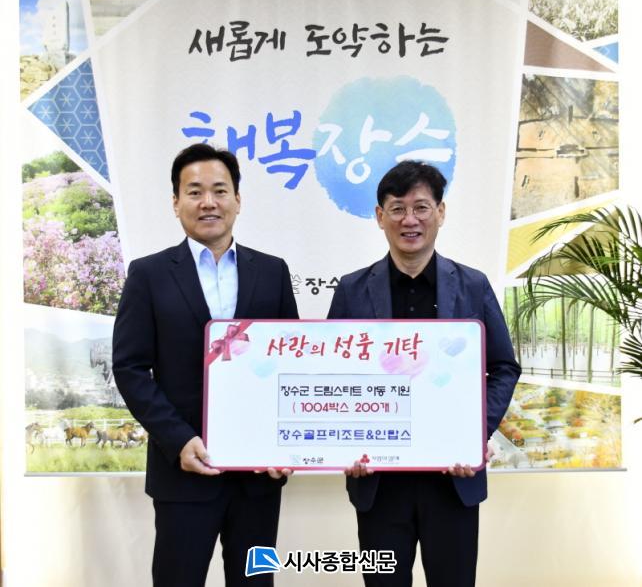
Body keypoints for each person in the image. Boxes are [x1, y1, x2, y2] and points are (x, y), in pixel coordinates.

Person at [112, 144, 298, 587]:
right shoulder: (149, 274)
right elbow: (130, 367)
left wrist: (285, 443)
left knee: (256, 581)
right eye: (194, 192)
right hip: (183, 470)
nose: (208, 202)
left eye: (220, 190)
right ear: (175, 202)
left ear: (238, 199)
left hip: (257, 476)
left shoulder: (272, 272)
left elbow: (291, 363)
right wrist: (179, 440)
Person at [327, 160, 521, 587]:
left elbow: (503, 366)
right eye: (397, 209)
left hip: (452, 479)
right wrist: (344, 442)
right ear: (380, 216)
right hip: (379, 483)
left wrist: (475, 432)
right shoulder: (352, 290)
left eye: (421, 207)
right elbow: (332, 374)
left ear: (441, 212)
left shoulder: (472, 286)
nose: (409, 220)